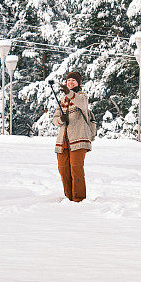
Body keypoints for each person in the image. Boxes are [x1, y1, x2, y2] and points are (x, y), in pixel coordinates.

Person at [52, 71, 92, 202]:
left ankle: (79, 199)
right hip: (63, 141)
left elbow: (80, 102)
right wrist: (61, 119)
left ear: (78, 83)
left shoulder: (82, 96)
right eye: (68, 80)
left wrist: (69, 93)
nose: (70, 82)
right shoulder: (62, 100)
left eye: (73, 81)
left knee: (76, 169)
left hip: (78, 139)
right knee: (63, 170)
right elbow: (54, 120)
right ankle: (69, 198)